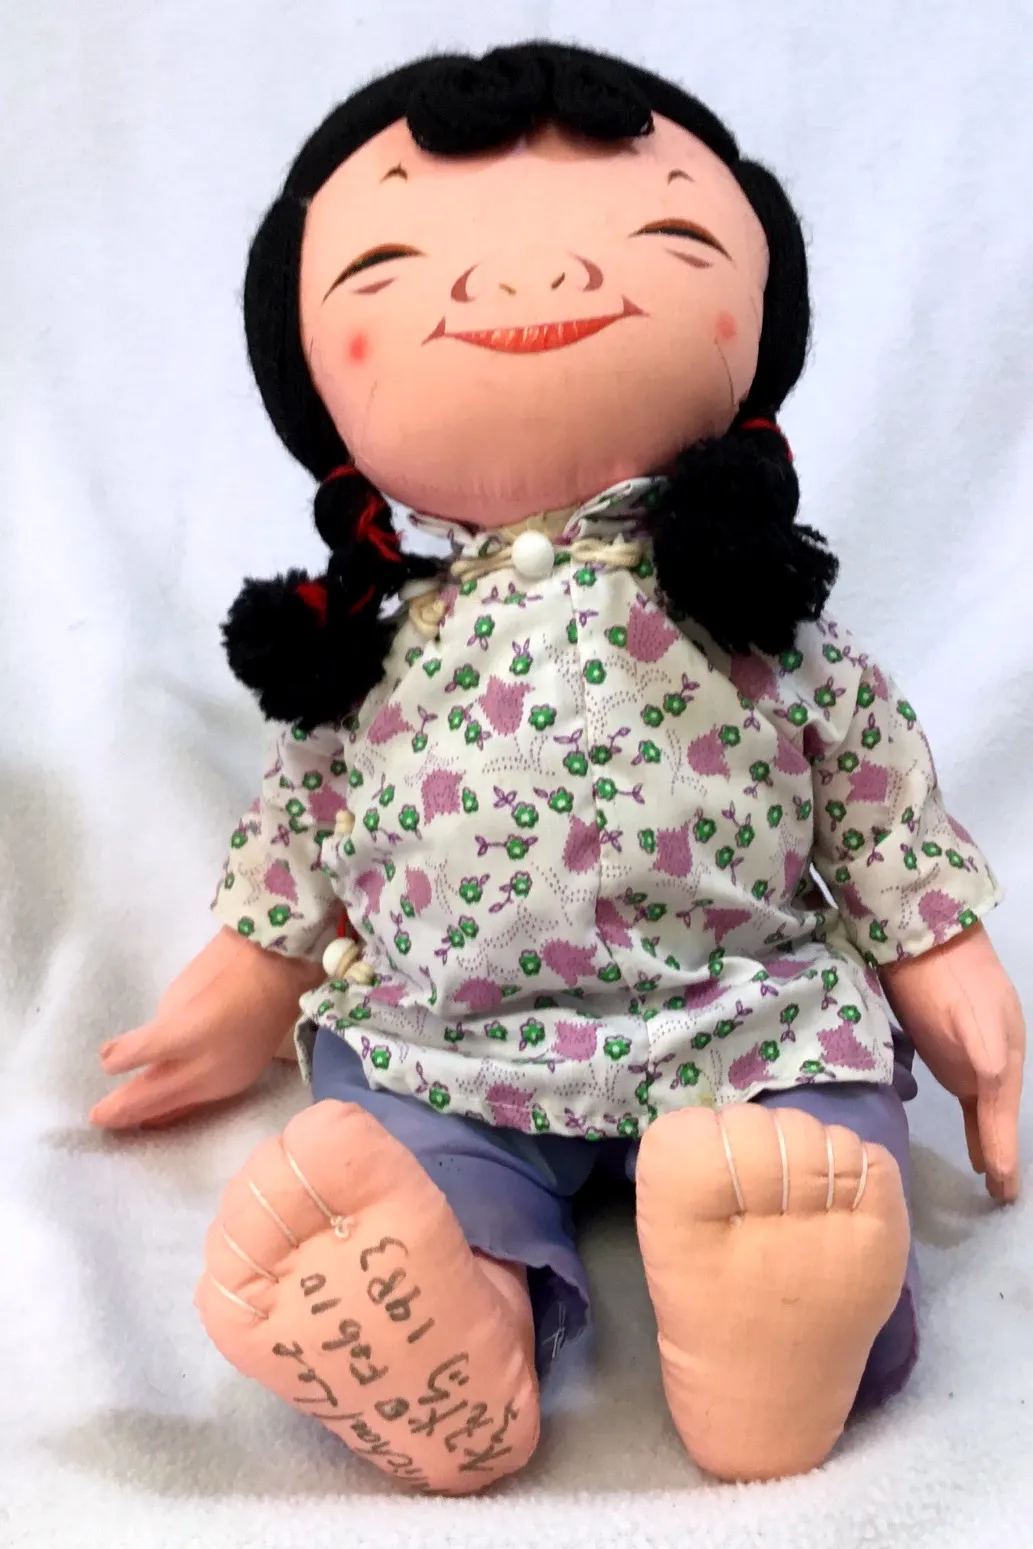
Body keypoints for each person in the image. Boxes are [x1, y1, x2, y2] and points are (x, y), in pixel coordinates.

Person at [92, 43, 1025, 1495]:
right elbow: (307, 820)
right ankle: (444, 1325)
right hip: (444, 1044)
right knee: (393, 1157)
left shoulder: (753, 608)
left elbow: (868, 781)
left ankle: (781, 1316)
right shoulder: (376, 648)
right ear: (310, 383)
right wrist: (242, 980)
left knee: (814, 1141)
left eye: (665, 236)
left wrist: (940, 954)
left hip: (743, 1012)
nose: (525, 284)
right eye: (391, 267)